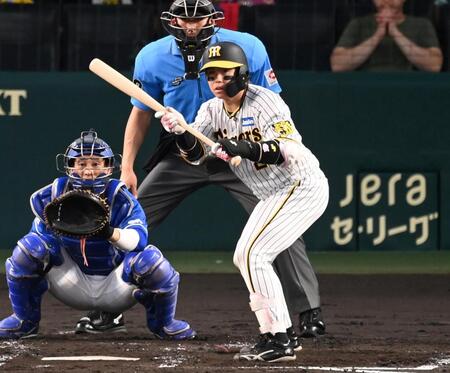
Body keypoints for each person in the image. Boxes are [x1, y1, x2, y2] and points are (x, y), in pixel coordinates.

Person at [76, 0, 326, 340]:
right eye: (183, 18)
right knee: (130, 219)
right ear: (171, 19)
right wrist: (129, 167)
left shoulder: (248, 47)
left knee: (278, 222)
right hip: (184, 148)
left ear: (213, 18)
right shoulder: (151, 57)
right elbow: (140, 114)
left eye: (198, 18)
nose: (190, 25)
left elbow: (270, 110)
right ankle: (109, 307)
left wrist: (248, 148)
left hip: (241, 149)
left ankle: (307, 310)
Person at [157, 41, 329, 362]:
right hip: (272, 194)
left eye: (224, 73)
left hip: (300, 185)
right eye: (211, 75)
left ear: (243, 73)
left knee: (254, 253)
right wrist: (180, 131)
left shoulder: (266, 102)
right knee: (245, 255)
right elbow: (195, 155)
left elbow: (287, 149)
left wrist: (242, 148)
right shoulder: (210, 110)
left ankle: (278, 338)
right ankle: (279, 334)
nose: (218, 80)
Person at [0, 130, 195, 340]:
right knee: (29, 248)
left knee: (151, 261)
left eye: (96, 164)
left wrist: (110, 233)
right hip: (70, 281)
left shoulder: (121, 199)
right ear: (69, 166)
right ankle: (24, 321)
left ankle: (164, 325)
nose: (88, 172)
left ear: (109, 166)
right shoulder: (52, 196)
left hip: (116, 286)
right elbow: (36, 245)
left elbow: (138, 241)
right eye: (81, 164)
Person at [330, 0, 443, 72]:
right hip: (366, 87)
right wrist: (378, 35)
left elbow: (434, 65)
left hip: (407, 87)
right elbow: (337, 65)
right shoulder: (358, 24)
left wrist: (395, 33)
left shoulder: (421, 24)